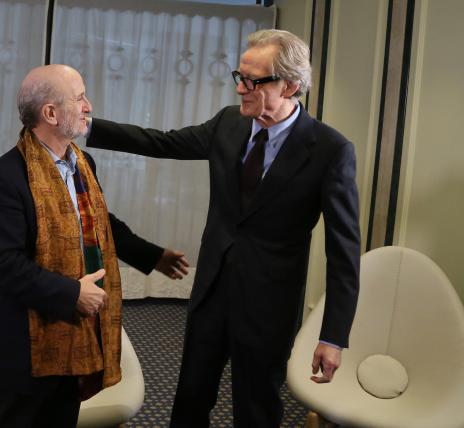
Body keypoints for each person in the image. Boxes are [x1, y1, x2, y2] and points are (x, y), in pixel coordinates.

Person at [86, 29, 360, 427]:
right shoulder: (228, 124)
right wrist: (88, 127)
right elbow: (161, 143)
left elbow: (344, 253)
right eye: (239, 76)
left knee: (256, 408)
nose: (240, 89)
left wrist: (333, 336)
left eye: (253, 81)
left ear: (292, 86)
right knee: (190, 400)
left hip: (269, 304)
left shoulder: (331, 151)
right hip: (211, 292)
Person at [0, 64, 190, 428]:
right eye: (79, 98)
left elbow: (100, 225)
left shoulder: (82, 163)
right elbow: (4, 266)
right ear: (50, 113)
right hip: (23, 350)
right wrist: (71, 292)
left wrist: (153, 256)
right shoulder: (3, 178)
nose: (89, 105)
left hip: (75, 338)